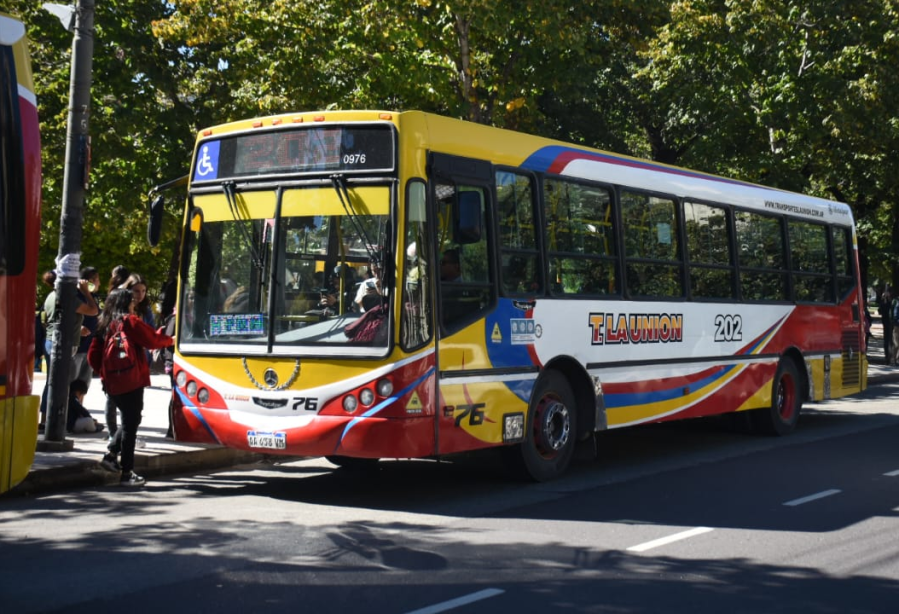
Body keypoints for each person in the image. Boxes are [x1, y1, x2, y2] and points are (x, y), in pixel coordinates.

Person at [88, 287, 174, 487]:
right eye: (132, 301)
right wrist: (170, 340)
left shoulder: (104, 323)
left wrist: (105, 374)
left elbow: (93, 355)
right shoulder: (129, 321)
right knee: (130, 424)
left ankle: (111, 455)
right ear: (127, 303)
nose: (134, 304)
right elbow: (151, 339)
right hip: (132, 379)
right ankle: (127, 472)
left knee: (130, 420)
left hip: (112, 381)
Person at [39, 276, 99, 429]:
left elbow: (56, 319)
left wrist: (76, 330)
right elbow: (93, 310)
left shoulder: (51, 296)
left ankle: (46, 418)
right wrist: (86, 292)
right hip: (63, 344)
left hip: (50, 341)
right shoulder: (69, 298)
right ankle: (55, 420)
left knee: (52, 381)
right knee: (60, 383)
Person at [103, 265, 131, 439]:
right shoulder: (122, 295)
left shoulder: (112, 294)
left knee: (112, 396)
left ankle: (114, 432)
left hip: (113, 354)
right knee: (120, 397)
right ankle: (116, 434)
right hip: (119, 353)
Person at [72, 266, 100, 391]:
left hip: (88, 347)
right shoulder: (76, 295)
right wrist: (87, 293)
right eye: (97, 279)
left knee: (82, 387)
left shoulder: (92, 297)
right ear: (90, 281)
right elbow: (93, 311)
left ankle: (79, 409)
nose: (99, 283)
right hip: (76, 348)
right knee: (71, 385)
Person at [880, 286, 893, 364]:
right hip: (888, 322)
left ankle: (888, 356)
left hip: (887, 322)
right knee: (888, 340)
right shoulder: (886, 303)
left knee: (888, 340)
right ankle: (888, 356)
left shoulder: (889, 302)